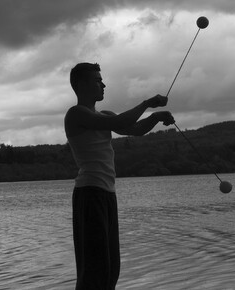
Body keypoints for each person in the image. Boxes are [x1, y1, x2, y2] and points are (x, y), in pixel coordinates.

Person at [65, 62, 175, 290]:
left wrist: (155, 118)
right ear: (81, 84)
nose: (103, 84)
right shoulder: (76, 114)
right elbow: (119, 123)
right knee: (95, 269)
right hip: (89, 193)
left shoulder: (102, 114)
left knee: (111, 268)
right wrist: (147, 104)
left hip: (106, 194)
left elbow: (133, 129)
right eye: (97, 80)